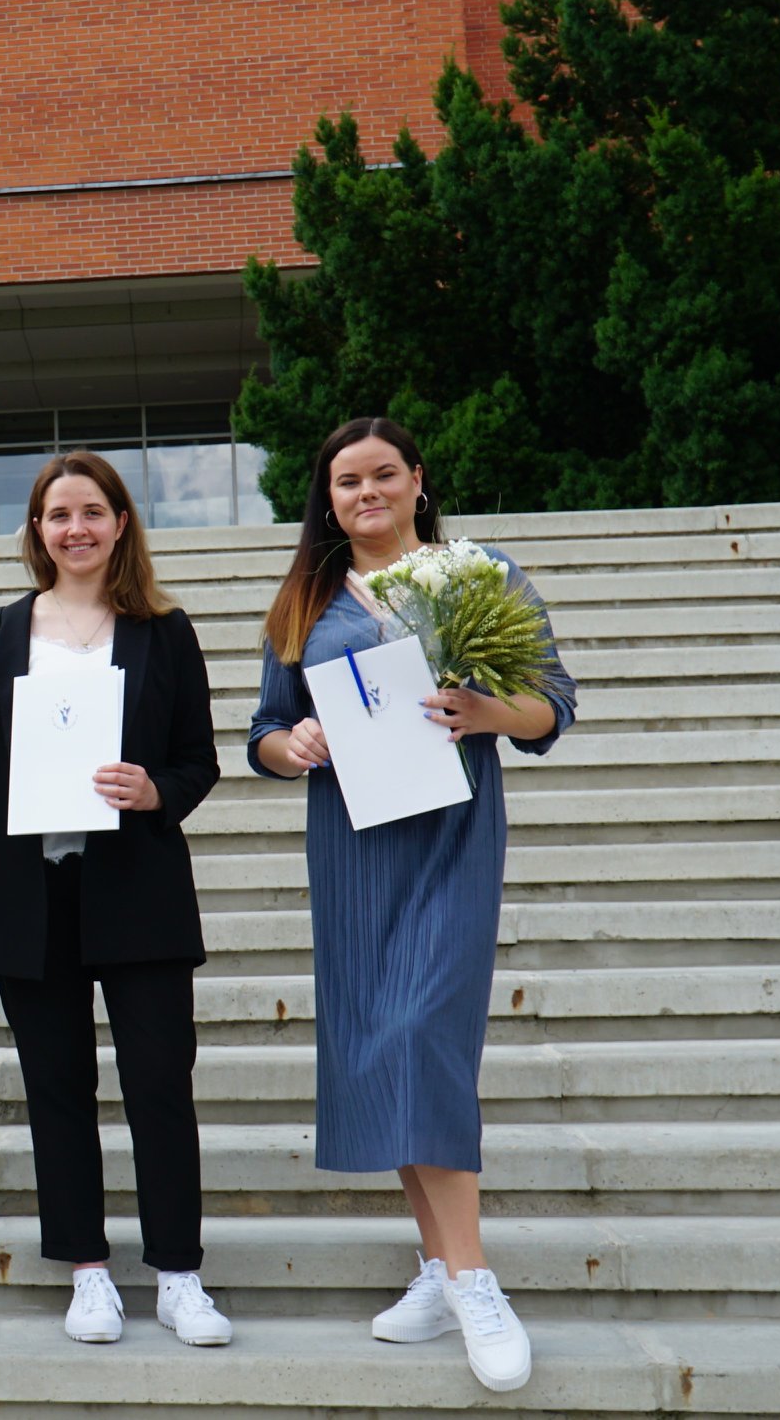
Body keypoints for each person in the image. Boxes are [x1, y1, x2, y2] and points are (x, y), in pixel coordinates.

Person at [246, 416, 576, 1394]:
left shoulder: (479, 574)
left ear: (417, 479)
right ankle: (437, 1266)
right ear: (328, 499)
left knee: (426, 1033)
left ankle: (473, 1280)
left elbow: (551, 705)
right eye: (347, 481)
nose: (367, 493)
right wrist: (295, 746)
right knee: (383, 1042)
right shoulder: (304, 602)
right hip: (354, 849)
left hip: (452, 836)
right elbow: (263, 733)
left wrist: (485, 711)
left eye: (383, 474)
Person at [0, 451, 230, 1349]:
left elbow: (198, 759)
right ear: (37, 529)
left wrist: (154, 791)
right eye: (58, 514)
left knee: (159, 1084)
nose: (75, 528)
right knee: (56, 1088)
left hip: (137, 885)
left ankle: (178, 1274)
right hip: (26, 892)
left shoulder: (162, 630)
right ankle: (87, 1271)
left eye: (91, 512)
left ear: (119, 524)